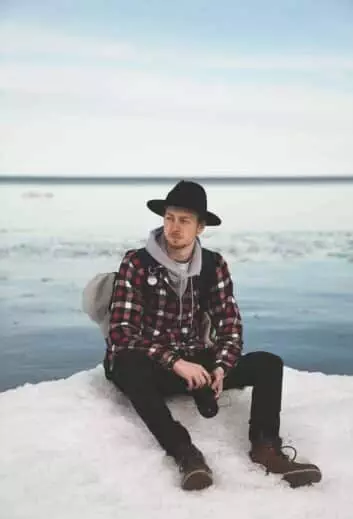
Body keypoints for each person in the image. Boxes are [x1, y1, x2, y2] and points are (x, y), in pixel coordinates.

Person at [104, 180, 322, 490]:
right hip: (150, 362)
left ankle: (265, 448)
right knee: (127, 365)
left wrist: (220, 366)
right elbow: (122, 333)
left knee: (268, 364)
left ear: (200, 228)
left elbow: (230, 325)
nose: (174, 228)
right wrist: (176, 362)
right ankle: (186, 454)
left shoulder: (213, 265)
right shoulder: (137, 263)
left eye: (184, 220)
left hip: (195, 358)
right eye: (169, 218)